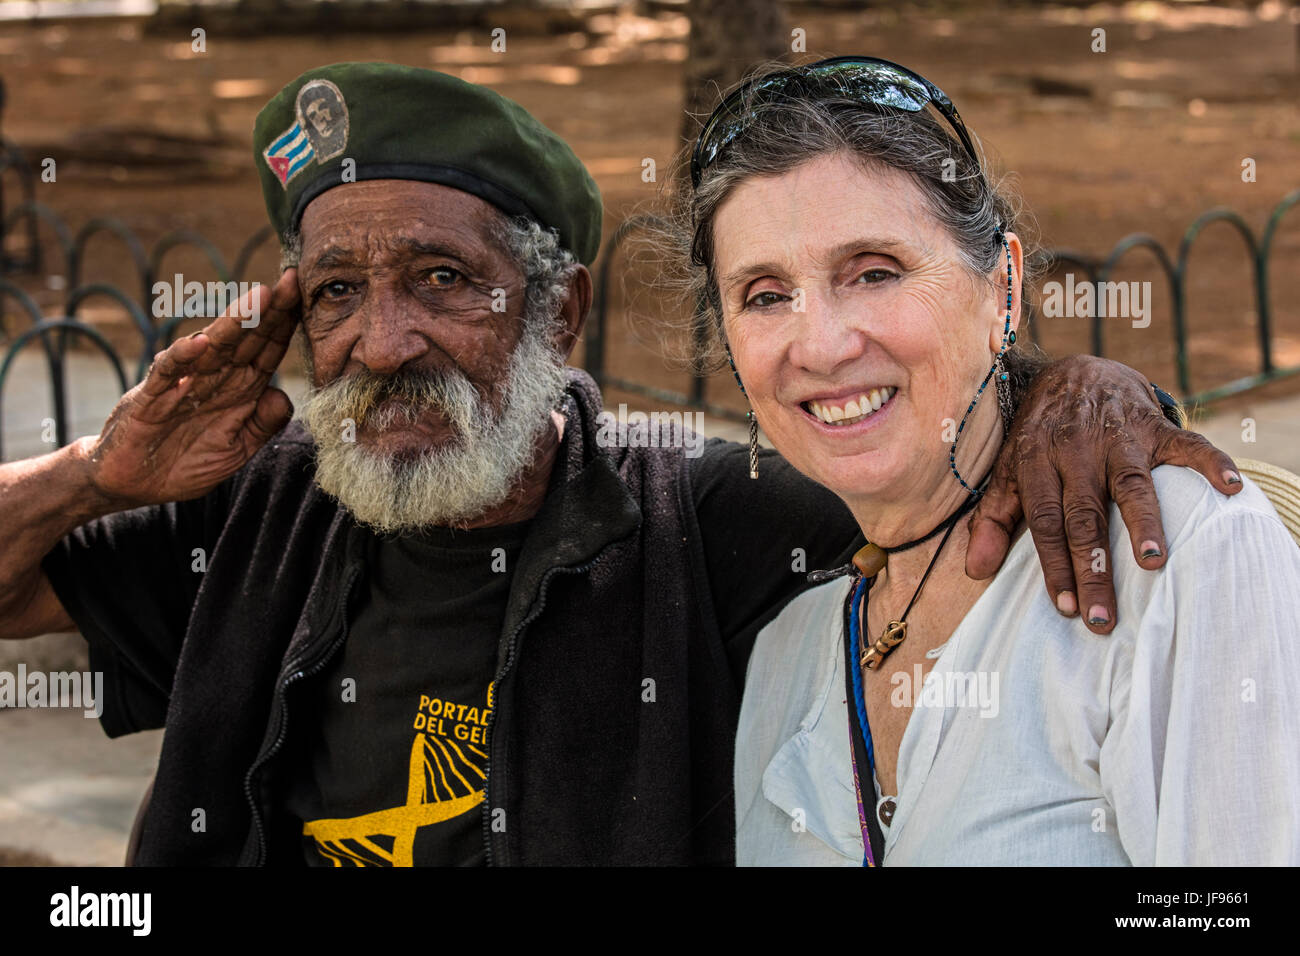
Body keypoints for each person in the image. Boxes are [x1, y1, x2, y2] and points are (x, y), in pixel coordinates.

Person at [0, 62, 1242, 866]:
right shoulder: (265, 505)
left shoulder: (704, 521)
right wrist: (94, 475)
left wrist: (1074, 394)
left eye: (443, 279)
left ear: (556, 312)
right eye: (337, 292)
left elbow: (917, 469)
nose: (384, 340)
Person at [664, 56, 1300, 865]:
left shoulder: (1173, 552)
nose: (820, 344)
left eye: (875, 272)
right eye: (764, 295)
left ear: (1003, 288)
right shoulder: (787, 652)